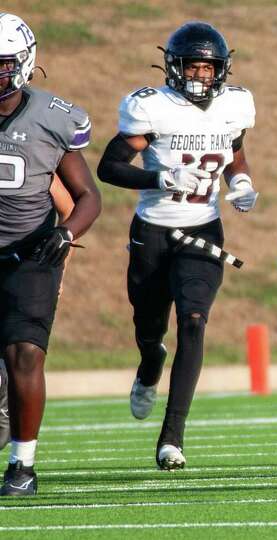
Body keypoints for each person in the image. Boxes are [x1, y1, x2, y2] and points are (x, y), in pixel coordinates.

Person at [97, 21, 257, 470]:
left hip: (203, 229)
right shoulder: (153, 108)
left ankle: (173, 437)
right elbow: (109, 167)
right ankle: (150, 361)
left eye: (209, 69)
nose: (200, 77)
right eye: (193, 67)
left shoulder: (235, 105)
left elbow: (235, 149)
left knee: (193, 320)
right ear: (174, 67)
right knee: (149, 328)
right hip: (152, 231)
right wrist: (159, 177)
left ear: (221, 71)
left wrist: (240, 180)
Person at [0, 12, 102, 495]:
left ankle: (22, 466)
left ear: (23, 64)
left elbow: (88, 196)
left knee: (25, 354)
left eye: (0, 64)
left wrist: (65, 235)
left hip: (30, 251)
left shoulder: (51, 116)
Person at [0, 175, 74, 453]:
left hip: (23, 268)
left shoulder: (31, 153)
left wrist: (60, 271)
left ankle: (8, 399)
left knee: (22, 348)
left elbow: (68, 209)